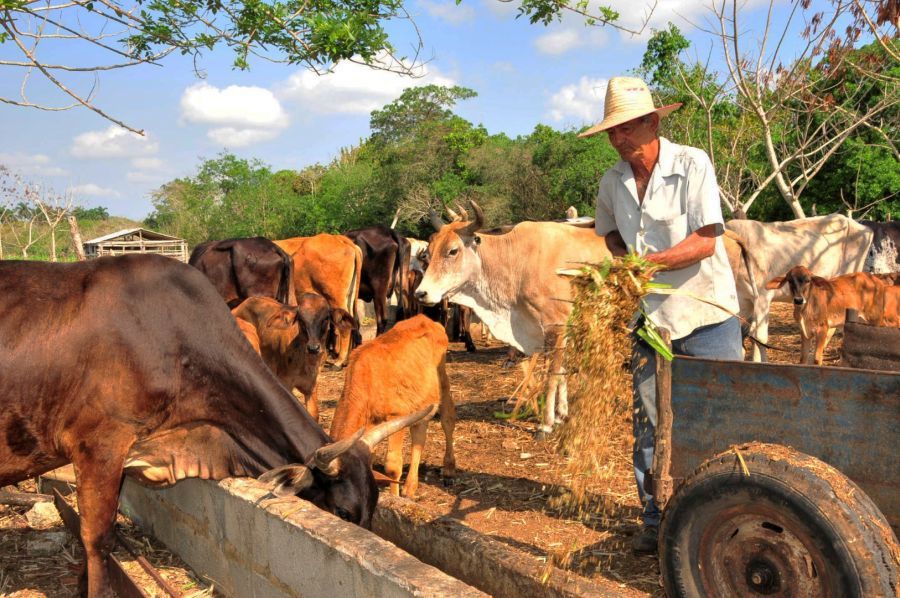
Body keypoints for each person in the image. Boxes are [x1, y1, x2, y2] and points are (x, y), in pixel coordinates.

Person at [579, 77, 743, 554]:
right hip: (650, 320)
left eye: (626, 128)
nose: (618, 139)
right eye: (612, 132)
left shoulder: (692, 164)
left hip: (706, 314)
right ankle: (656, 521)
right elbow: (608, 234)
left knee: (719, 418)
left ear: (652, 123)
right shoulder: (613, 182)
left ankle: (723, 517)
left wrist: (643, 264)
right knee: (649, 421)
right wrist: (622, 257)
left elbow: (705, 241)